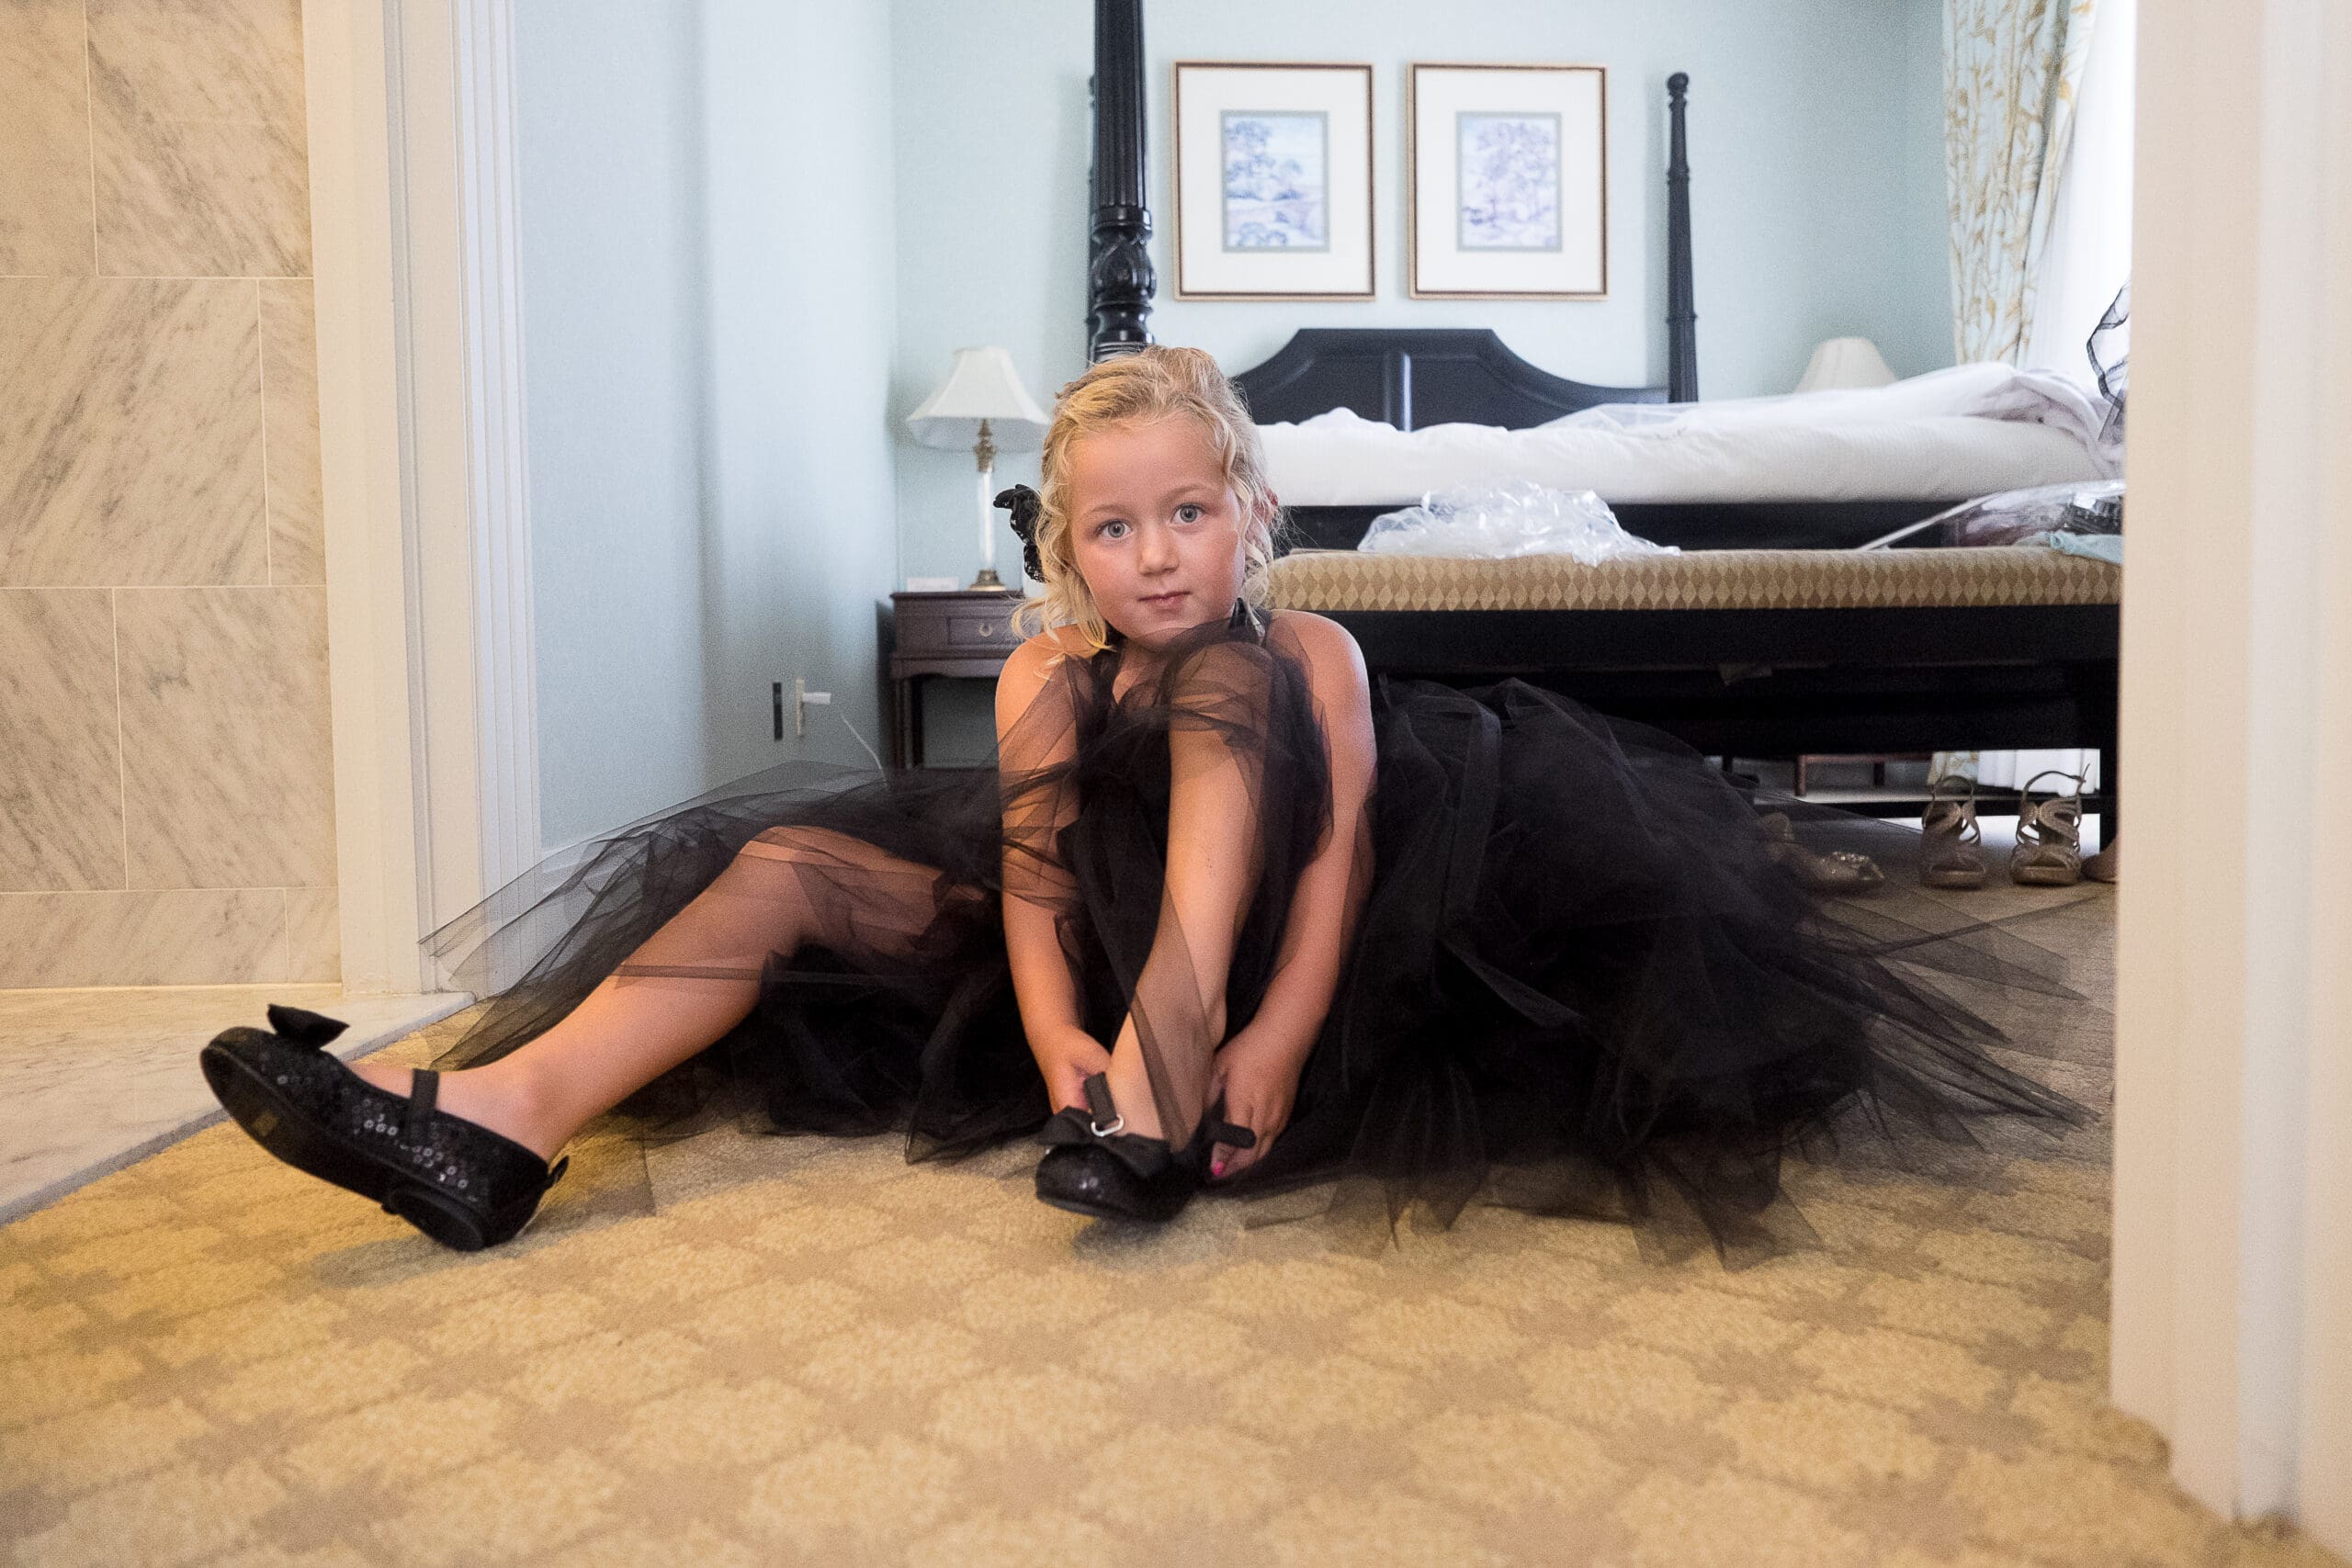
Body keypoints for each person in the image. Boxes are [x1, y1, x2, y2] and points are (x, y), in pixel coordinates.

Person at [200, 346, 2075, 1258]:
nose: (1157, 553)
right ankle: (492, 1124)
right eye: (1115, 526)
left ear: (1253, 513)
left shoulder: (1301, 650)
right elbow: (1021, 875)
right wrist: (1046, 1027)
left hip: (1269, 970)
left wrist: (1248, 1036)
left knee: (1221, 688)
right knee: (779, 859)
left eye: (1190, 513)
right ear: (1067, 546)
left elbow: (1337, 853)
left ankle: (1166, 1099)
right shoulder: (1040, 669)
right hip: (1084, 955)